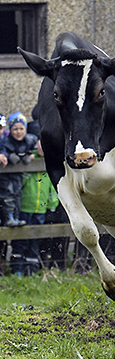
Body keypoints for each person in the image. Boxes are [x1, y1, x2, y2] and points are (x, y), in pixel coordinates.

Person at [11, 139, 59, 276]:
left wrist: (52, 204)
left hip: (40, 210)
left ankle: (30, 270)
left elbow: (53, 186)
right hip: (25, 208)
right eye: (40, 145)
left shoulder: (50, 162)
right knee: (20, 240)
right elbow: (21, 183)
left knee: (35, 241)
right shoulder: (29, 160)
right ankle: (17, 270)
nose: (42, 148)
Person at [0, 112, 37, 227]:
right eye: (15, 129)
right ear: (10, 130)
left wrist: (31, 156)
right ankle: (9, 217)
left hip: (18, 175)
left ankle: (15, 217)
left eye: (21, 128)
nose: (18, 132)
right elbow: (4, 149)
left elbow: (37, 149)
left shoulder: (30, 140)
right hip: (6, 175)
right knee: (7, 195)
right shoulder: (6, 141)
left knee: (17, 194)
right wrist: (9, 156)